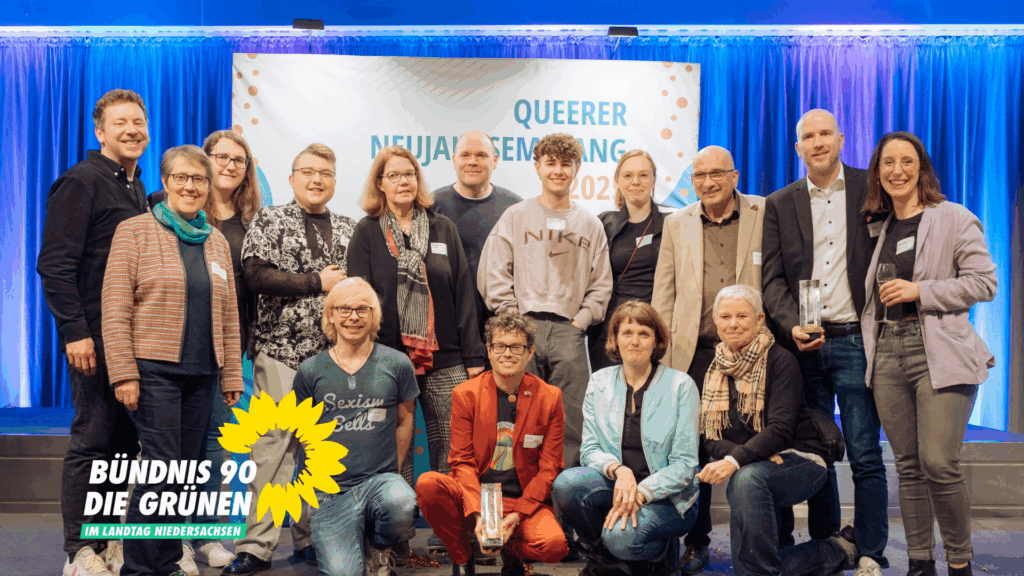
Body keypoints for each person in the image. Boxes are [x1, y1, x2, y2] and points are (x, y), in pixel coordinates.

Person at [101, 145, 244, 576]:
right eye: (180, 177)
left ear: (208, 186)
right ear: (165, 182)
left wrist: (231, 374)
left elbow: (229, 315)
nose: (189, 186)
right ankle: (139, 567)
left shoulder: (216, 240)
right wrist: (123, 373)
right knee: (160, 468)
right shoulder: (135, 231)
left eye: (198, 179)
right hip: (153, 371)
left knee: (185, 471)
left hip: (203, 373)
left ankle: (165, 562)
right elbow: (115, 307)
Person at [860, 132, 996, 576]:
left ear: (922, 168)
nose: (897, 171)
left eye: (906, 161)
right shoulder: (880, 227)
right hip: (887, 352)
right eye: (887, 163)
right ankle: (920, 562)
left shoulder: (953, 217)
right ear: (877, 172)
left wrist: (921, 291)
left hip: (938, 348)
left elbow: (984, 283)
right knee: (909, 467)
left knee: (939, 462)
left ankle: (959, 561)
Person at [761, 109, 889, 575]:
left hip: (856, 339)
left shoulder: (872, 190)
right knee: (817, 452)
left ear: (841, 139)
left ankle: (871, 549)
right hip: (804, 345)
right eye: (808, 137)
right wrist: (792, 323)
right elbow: (771, 279)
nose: (817, 143)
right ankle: (826, 543)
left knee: (864, 452)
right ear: (797, 148)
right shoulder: (779, 203)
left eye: (825, 134)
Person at [347, 145, 487, 562]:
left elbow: (463, 293)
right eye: (393, 175)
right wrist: (365, 356)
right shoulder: (367, 232)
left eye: (409, 174)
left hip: (447, 357)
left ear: (418, 180)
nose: (403, 181)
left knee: (454, 447)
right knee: (396, 449)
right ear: (380, 183)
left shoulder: (442, 228)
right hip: (388, 359)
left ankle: (453, 532)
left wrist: (474, 357)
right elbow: (359, 299)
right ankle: (398, 538)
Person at [226, 143, 357, 576]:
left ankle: (312, 540)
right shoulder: (270, 219)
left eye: (325, 173)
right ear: (292, 178)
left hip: (333, 359)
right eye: (308, 171)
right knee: (273, 451)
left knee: (319, 453)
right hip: (281, 351)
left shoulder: (350, 228)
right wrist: (316, 281)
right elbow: (256, 275)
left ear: (334, 181)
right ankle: (256, 547)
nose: (317, 179)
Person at [37, 88, 150, 576]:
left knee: (123, 446)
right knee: (93, 439)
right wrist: (74, 331)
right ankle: (79, 551)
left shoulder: (137, 188)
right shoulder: (81, 181)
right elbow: (55, 264)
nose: (131, 130)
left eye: (138, 122)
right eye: (120, 123)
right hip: (93, 339)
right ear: (100, 132)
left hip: (131, 340)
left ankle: (108, 542)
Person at [148, 130, 262, 573]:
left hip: (224, 350)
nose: (230, 165)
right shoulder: (167, 212)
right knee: (171, 452)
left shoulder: (251, 223)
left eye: (239, 159)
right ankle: (172, 540)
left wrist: (233, 358)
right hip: (171, 352)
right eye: (221, 157)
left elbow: (238, 297)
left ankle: (207, 532)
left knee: (216, 447)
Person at [651, 145, 764, 575]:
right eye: (699, 175)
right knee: (694, 448)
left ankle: (765, 540)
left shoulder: (762, 212)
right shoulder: (676, 223)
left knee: (754, 441)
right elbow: (664, 292)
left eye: (717, 173)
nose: (708, 182)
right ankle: (696, 541)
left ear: (735, 176)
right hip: (694, 352)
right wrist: (661, 354)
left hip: (751, 352)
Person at [695, 285, 857, 576]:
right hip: (758, 463)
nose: (733, 324)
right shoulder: (713, 368)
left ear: (759, 320)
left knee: (746, 478)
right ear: (715, 322)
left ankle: (757, 571)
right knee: (747, 476)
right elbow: (710, 436)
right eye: (726, 317)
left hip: (802, 458)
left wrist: (737, 459)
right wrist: (748, 456)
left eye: (742, 316)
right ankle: (835, 550)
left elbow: (780, 430)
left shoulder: (781, 359)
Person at [478, 132, 613, 472]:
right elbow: (493, 271)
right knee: (518, 414)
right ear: (537, 167)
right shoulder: (516, 216)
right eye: (550, 163)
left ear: (576, 169)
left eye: (566, 164)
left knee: (572, 418)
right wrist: (513, 319)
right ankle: (519, 489)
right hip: (523, 329)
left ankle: (565, 492)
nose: (558, 171)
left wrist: (581, 321)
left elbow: (601, 283)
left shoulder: (590, 224)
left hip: (570, 330)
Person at [416, 310, 569, 576]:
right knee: (429, 484)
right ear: (488, 350)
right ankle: (463, 559)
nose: (507, 354)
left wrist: (518, 515)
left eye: (516, 347)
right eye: (500, 346)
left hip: (520, 498)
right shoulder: (465, 394)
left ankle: (511, 552)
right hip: (475, 495)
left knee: (554, 546)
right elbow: (461, 461)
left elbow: (550, 468)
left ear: (530, 352)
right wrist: (480, 515)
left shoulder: (549, 397)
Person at [553, 301, 699, 576]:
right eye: (627, 333)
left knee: (621, 538)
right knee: (567, 484)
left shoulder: (681, 385)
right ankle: (607, 558)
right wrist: (620, 472)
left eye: (644, 334)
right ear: (615, 339)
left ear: (657, 341)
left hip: (668, 497)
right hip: (617, 486)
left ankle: (659, 552)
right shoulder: (599, 381)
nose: (634, 341)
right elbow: (590, 449)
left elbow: (685, 464)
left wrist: (641, 493)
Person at [293, 277, 419, 576]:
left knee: (401, 502)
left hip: (380, 481)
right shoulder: (310, 370)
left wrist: (394, 472)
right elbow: (302, 432)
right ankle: (351, 541)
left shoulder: (397, 363)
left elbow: (405, 420)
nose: (353, 317)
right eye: (344, 309)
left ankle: (379, 548)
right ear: (330, 316)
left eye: (363, 309)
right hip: (331, 491)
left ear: (373, 316)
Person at [431, 130, 523, 346]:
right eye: (465, 155)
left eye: (481, 155)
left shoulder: (515, 208)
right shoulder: (431, 206)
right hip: (446, 328)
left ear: (495, 160)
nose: (472, 161)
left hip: (502, 326)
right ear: (454, 160)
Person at [589, 149, 674, 371]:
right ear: (617, 181)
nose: (635, 181)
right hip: (611, 329)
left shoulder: (673, 223)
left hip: (656, 328)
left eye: (643, 175)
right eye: (628, 175)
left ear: (653, 180)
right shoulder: (603, 223)